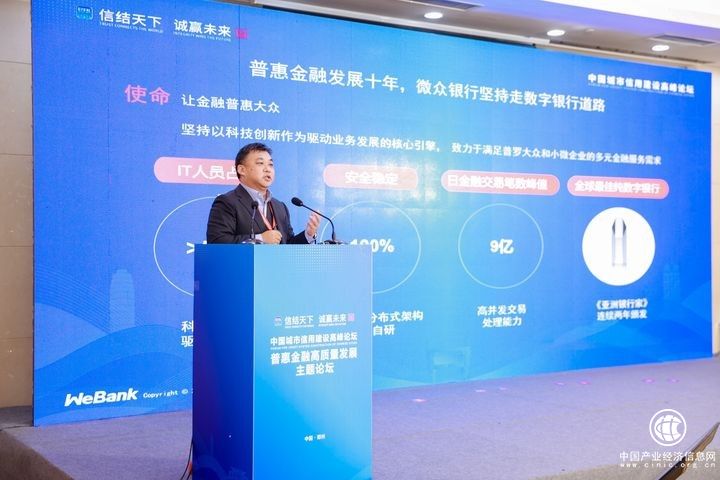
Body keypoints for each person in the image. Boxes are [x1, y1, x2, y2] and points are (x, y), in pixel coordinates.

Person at [206, 143, 320, 244]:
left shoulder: (280, 207)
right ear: (242, 170)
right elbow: (217, 242)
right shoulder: (227, 202)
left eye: (270, 164)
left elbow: (287, 246)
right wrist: (260, 239)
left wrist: (308, 235)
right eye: (260, 163)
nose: (268, 169)